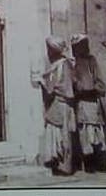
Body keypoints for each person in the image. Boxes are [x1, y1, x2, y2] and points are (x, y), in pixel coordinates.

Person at [32, 35, 76, 175]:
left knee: (62, 135)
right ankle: (58, 163)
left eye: (49, 49)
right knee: (58, 135)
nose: (47, 51)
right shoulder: (60, 64)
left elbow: (56, 87)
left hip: (60, 104)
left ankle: (64, 166)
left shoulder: (63, 65)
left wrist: (42, 82)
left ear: (54, 49)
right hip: (58, 104)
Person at [70, 33, 106, 173]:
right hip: (81, 103)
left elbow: (100, 83)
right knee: (84, 133)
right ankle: (88, 164)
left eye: (82, 45)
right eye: (77, 46)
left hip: (92, 103)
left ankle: (99, 162)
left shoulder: (91, 61)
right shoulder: (72, 63)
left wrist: (92, 90)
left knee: (95, 132)